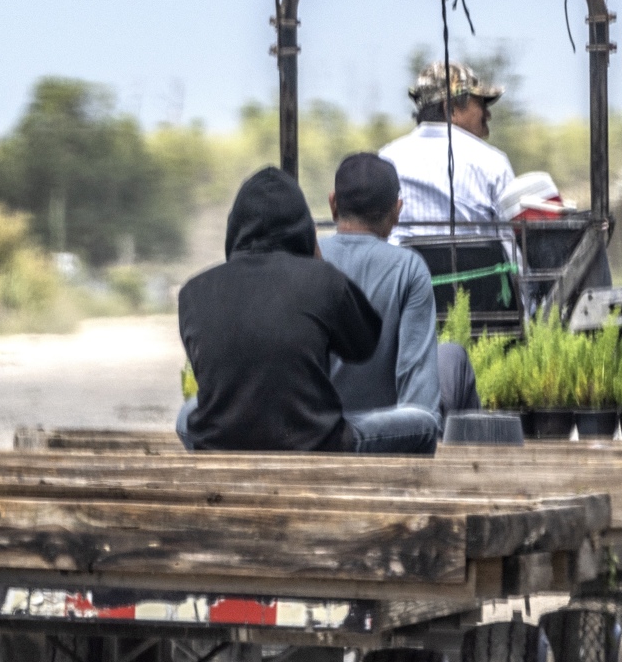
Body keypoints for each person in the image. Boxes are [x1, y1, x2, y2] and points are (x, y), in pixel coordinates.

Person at [175, 167, 441, 453]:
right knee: (424, 424)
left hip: (219, 443)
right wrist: (316, 261)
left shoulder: (192, 292)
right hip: (316, 444)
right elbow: (363, 346)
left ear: (233, 227)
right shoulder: (323, 279)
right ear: (304, 227)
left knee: (186, 413)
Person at [319, 153, 444, 454]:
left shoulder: (305, 258)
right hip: (382, 447)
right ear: (396, 211)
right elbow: (420, 403)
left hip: (310, 441)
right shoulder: (408, 269)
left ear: (333, 204)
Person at [378, 61, 516, 238]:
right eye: (482, 104)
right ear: (451, 109)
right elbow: (512, 244)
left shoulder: (385, 159)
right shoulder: (493, 163)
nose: (488, 114)